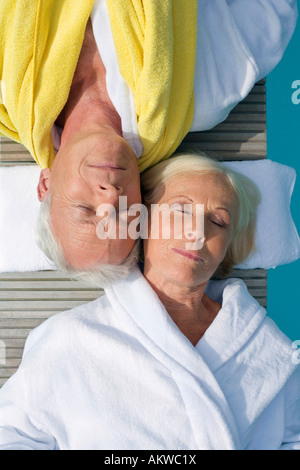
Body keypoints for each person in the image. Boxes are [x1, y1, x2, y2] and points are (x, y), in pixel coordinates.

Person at [0, 154, 299, 450]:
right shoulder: (68, 339)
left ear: (228, 246)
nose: (197, 232)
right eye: (181, 210)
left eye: (218, 221)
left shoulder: (270, 350)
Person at [0, 1, 298, 281]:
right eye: (124, 213)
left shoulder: (7, 88)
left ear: (45, 184)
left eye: (85, 210)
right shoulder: (200, 96)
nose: (110, 196)